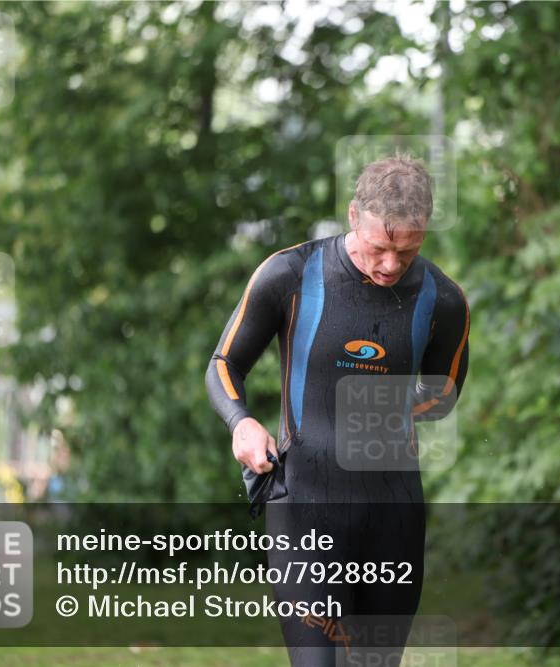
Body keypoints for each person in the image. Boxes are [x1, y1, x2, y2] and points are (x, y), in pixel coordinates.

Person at [206, 155, 469, 665]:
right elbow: (224, 363)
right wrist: (242, 423)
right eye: (380, 247)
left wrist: (396, 404)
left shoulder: (443, 300)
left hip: (393, 515)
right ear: (353, 216)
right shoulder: (291, 274)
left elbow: (446, 391)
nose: (391, 265)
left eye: (408, 250)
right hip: (304, 505)